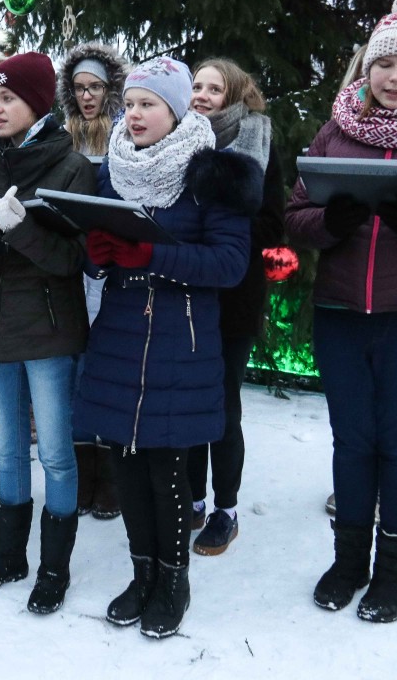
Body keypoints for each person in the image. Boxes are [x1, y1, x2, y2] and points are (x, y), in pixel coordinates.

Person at [75, 57, 259, 639]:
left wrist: (151, 255)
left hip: (183, 334)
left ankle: (173, 579)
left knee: (168, 467)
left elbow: (230, 264)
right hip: (122, 330)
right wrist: (98, 253)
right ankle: (142, 572)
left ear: (177, 110)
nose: (133, 115)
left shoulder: (215, 174)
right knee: (127, 463)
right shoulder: (111, 172)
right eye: (128, 104)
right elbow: (91, 252)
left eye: (146, 104)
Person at [285, 0, 397, 624]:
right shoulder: (337, 129)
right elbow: (296, 215)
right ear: (368, 66)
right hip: (341, 310)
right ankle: (349, 559)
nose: (395, 78)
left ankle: (394, 569)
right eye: (385, 64)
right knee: (352, 441)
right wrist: (331, 220)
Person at [0, 52, 94, 616]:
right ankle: (9, 556)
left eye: (8, 98)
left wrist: (23, 227)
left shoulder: (73, 167)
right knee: (8, 451)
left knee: (54, 455)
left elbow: (72, 260)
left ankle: (54, 568)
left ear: (36, 102)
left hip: (51, 331)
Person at [186, 58, 285, 555]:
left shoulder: (259, 141)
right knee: (185, 401)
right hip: (184, 292)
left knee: (222, 405)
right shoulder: (178, 137)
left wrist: (221, 226)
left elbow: (273, 224)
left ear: (237, 94)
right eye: (196, 85)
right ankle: (193, 499)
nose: (201, 94)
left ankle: (225, 508)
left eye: (214, 87)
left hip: (236, 294)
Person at [56, 42, 129, 521]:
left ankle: (110, 471)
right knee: (74, 371)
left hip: (112, 263)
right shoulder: (62, 138)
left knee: (107, 366)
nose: (87, 97)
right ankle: (82, 469)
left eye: (95, 87)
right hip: (70, 263)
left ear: (110, 90)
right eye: (80, 88)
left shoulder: (123, 135)